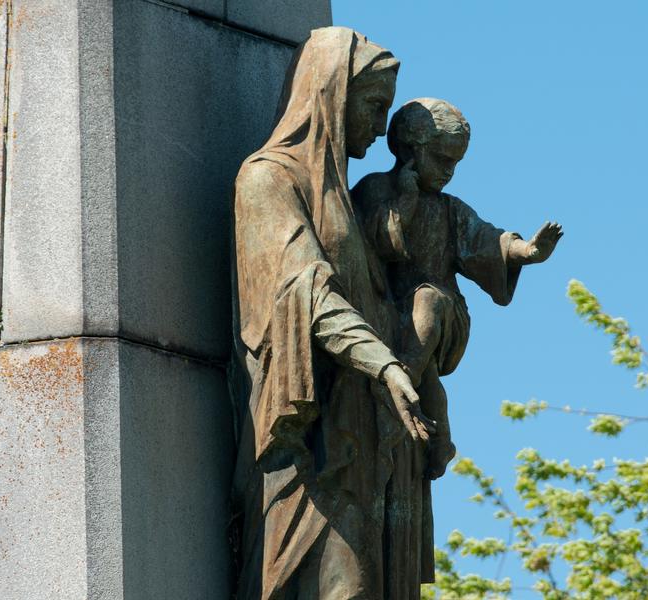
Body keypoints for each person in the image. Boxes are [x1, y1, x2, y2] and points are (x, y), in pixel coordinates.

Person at [231, 28, 434, 599]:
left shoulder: (349, 198)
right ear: (330, 95)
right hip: (311, 452)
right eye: (372, 106)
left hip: (363, 442)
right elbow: (307, 293)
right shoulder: (266, 180)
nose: (378, 127)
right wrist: (386, 366)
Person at [352, 98, 563, 480]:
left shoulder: (450, 210)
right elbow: (377, 240)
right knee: (426, 369)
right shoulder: (374, 189)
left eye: (456, 163)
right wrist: (407, 199)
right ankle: (441, 441)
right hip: (389, 312)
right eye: (442, 159)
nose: (449, 172)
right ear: (411, 151)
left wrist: (526, 251)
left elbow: (486, 240)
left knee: (427, 304)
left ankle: (397, 385)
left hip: (445, 313)